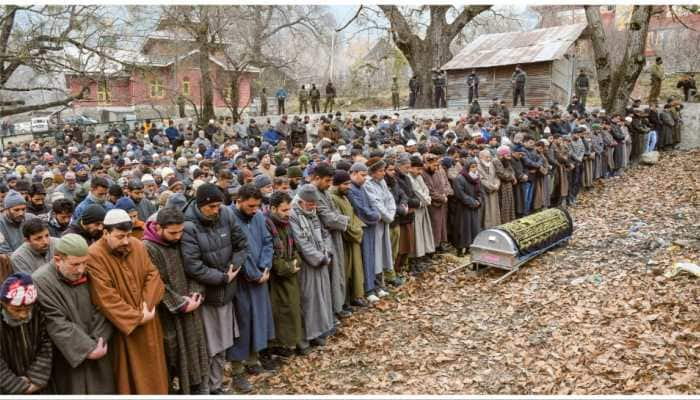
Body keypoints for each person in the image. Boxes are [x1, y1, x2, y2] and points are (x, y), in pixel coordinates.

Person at [86, 209, 168, 394]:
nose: (125, 241)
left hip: (149, 321)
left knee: (155, 372)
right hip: (123, 329)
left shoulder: (137, 245)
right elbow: (104, 297)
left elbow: (153, 275)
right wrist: (137, 317)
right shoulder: (94, 255)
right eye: (120, 236)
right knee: (129, 378)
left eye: (128, 235)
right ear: (105, 233)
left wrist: (146, 307)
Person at [181, 183, 248, 394]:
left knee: (224, 342)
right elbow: (192, 265)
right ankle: (205, 388)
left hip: (226, 292)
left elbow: (241, 244)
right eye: (212, 207)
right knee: (209, 346)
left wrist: (234, 267)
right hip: (206, 296)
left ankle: (216, 385)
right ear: (201, 205)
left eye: (219, 205)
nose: (216, 210)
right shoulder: (189, 226)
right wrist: (221, 278)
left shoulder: (225, 214)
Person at [32, 234, 116, 394]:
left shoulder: (90, 271)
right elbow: (55, 321)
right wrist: (86, 349)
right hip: (68, 356)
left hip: (99, 346)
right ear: (58, 260)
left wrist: (99, 341)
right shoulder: (41, 281)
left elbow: (104, 307)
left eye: (85, 263)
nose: (81, 270)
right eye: (75, 264)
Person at [143, 208, 209, 394]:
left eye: (180, 231)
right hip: (168, 313)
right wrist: (181, 303)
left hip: (192, 305)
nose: (177, 236)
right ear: (158, 228)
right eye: (173, 232)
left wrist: (196, 294)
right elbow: (155, 282)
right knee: (172, 354)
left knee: (194, 351)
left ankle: (197, 388)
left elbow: (194, 266)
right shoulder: (148, 248)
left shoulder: (182, 239)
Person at [229, 184, 275, 382]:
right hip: (241, 280)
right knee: (242, 322)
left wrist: (265, 267)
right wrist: (254, 273)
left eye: (257, 206)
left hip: (260, 276)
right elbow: (239, 250)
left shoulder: (258, 217)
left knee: (259, 319)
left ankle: (253, 360)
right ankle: (237, 367)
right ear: (238, 201)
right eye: (250, 206)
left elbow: (267, 242)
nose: (254, 209)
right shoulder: (228, 218)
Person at [289, 184, 334, 350]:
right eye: (309, 204)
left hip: (321, 261)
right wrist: (319, 258)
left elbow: (324, 233)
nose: (312, 207)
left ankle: (317, 333)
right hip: (307, 265)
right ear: (300, 202)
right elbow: (301, 241)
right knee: (307, 301)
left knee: (320, 299)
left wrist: (327, 252)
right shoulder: (293, 215)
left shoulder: (313, 213)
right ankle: (304, 338)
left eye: (314, 203)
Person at [264, 191, 303, 356]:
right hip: (275, 279)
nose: (288, 214)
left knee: (291, 309)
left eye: (289, 209)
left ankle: (288, 343)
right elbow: (271, 255)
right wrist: (287, 267)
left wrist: (294, 262)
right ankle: (277, 345)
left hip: (290, 272)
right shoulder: (267, 225)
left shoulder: (285, 224)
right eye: (284, 210)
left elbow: (294, 247)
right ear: (273, 208)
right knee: (279, 311)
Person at [0, 273, 52, 394]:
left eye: (28, 309)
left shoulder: (38, 313)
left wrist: (35, 378)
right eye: (16, 310)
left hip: (37, 385)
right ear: (3, 303)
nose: (23, 315)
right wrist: (17, 385)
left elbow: (46, 344)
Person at [310, 164, 350, 319]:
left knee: (337, 272)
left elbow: (335, 212)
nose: (329, 184)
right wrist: (344, 219)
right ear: (317, 178)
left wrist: (339, 218)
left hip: (334, 236)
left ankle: (337, 306)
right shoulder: (311, 193)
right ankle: (331, 312)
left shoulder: (324, 191)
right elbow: (328, 218)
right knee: (328, 277)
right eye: (327, 181)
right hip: (323, 240)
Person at [329, 170, 366, 308]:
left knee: (355, 271)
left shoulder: (344, 196)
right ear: (337, 184)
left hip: (353, 238)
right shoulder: (333, 198)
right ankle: (344, 302)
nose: (349, 187)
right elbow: (341, 222)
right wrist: (356, 232)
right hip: (344, 241)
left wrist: (358, 229)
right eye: (345, 184)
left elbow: (352, 215)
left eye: (349, 183)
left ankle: (354, 297)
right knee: (345, 272)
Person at [346, 162, 382, 303]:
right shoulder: (350, 190)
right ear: (353, 173)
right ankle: (368, 289)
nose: (365, 178)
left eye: (366, 175)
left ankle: (373, 285)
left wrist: (376, 213)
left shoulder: (361, 187)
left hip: (371, 226)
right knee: (365, 257)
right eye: (362, 175)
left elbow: (371, 203)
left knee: (371, 256)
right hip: (363, 227)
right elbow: (359, 209)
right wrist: (375, 216)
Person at [363, 157, 399, 289]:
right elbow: (376, 203)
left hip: (386, 220)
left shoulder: (382, 182)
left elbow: (389, 199)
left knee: (385, 251)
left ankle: (382, 279)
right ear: (372, 172)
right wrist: (388, 216)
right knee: (377, 252)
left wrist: (390, 214)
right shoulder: (367, 184)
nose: (383, 173)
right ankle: (377, 283)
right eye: (380, 171)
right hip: (377, 223)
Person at [407, 156, 435, 268]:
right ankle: (415, 258)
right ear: (411, 168)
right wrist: (426, 200)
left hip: (423, 208)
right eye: (417, 169)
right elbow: (417, 192)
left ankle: (422, 255)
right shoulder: (409, 178)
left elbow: (425, 189)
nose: (420, 172)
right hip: (416, 210)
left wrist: (426, 199)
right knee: (416, 234)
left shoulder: (418, 177)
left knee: (423, 232)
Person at [450, 160, 482, 256]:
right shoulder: (459, 178)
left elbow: (480, 192)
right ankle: (460, 249)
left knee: (473, 228)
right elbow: (460, 194)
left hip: (474, 207)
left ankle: (469, 247)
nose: (474, 169)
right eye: (472, 167)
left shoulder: (476, 178)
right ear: (467, 167)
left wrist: (479, 201)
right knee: (463, 228)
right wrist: (472, 202)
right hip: (462, 208)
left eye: (475, 166)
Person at [421, 153, 452, 252]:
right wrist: (442, 198)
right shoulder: (423, 174)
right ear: (426, 164)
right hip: (432, 206)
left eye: (437, 165)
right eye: (434, 165)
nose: (436, 168)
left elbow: (444, 185)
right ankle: (432, 249)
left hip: (441, 204)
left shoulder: (437, 172)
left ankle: (439, 245)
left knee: (441, 227)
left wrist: (445, 194)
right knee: (434, 227)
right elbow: (430, 192)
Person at [476, 149, 501, 229]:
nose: (489, 159)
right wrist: (491, 186)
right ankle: (487, 227)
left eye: (489, 157)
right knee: (487, 212)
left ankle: (495, 226)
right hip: (485, 192)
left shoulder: (491, 165)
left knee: (495, 211)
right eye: (487, 157)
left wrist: (497, 184)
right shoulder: (477, 166)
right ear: (481, 157)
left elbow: (496, 176)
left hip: (494, 191)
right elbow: (481, 180)